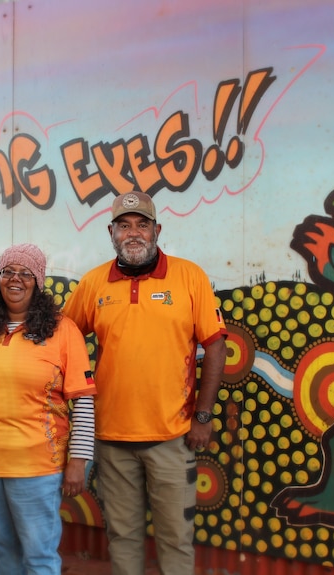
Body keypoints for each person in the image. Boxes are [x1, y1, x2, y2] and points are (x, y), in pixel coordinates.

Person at [62, 192, 227, 575]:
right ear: (111, 232)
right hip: (111, 439)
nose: (133, 233)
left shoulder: (189, 276)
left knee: (175, 540)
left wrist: (203, 416)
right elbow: (63, 340)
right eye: (124, 225)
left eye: (141, 224)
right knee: (123, 538)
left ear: (157, 229)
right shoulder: (94, 283)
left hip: (172, 437)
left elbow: (215, 347)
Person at [0, 243, 96, 575]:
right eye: (8, 272)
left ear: (38, 281)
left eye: (26, 273)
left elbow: (83, 400)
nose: (15, 280)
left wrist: (79, 461)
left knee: (38, 556)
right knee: (3, 549)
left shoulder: (62, 330)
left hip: (37, 465)